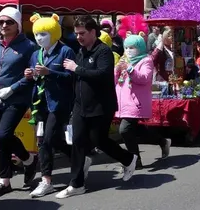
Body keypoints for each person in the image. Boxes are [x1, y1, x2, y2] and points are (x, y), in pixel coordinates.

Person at [58, 16, 137, 199]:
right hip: (80, 106)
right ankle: (76, 184)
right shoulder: (80, 51)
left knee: (98, 140)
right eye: (76, 33)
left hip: (101, 106)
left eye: (82, 33)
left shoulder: (103, 52)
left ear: (93, 32)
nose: (79, 37)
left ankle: (128, 158)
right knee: (77, 141)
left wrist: (76, 69)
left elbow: (102, 74)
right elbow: (76, 78)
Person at [0, 7, 38, 199]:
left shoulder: (28, 46)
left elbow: (32, 74)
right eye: (1, 22)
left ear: (18, 24)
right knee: (0, 139)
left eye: (9, 22)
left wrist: (12, 88)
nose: (4, 25)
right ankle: (5, 180)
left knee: (4, 135)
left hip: (16, 98)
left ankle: (28, 159)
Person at [26, 14, 76, 198]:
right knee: (48, 140)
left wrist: (50, 72)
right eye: (37, 35)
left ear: (54, 33)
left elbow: (71, 77)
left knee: (47, 140)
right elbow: (34, 77)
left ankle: (46, 180)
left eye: (44, 34)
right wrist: (29, 75)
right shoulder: (34, 54)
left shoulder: (66, 51)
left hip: (59, 103)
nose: (39, 38)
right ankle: (79, 157)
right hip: (40, 104)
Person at [115, 34, 171, 169]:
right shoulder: (124, 59)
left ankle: (134, 159)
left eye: (132, 47)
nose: (129, 50)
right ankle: (162, 141)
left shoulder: (146, 60)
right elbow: (117, 81)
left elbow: (144, 78)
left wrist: (129, 68)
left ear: (139, 47)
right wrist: (117, 71)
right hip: (123, 100)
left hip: (136, 101)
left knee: (125, 129)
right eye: (126, 47)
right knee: (135, 129)